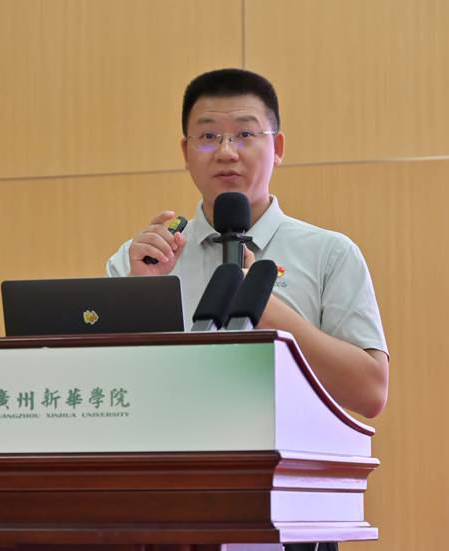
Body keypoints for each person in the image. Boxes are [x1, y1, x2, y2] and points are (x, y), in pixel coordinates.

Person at [106, 66, 388, 551]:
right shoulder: (143, 259)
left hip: (289, 510)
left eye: (244, 134)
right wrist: (139, 298)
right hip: (166, 507)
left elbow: (370, 391)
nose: (226, 151)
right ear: (185, 152)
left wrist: (274, 316)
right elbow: (106, 395)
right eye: (208, 136)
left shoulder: (330, 253)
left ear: (277, 148)